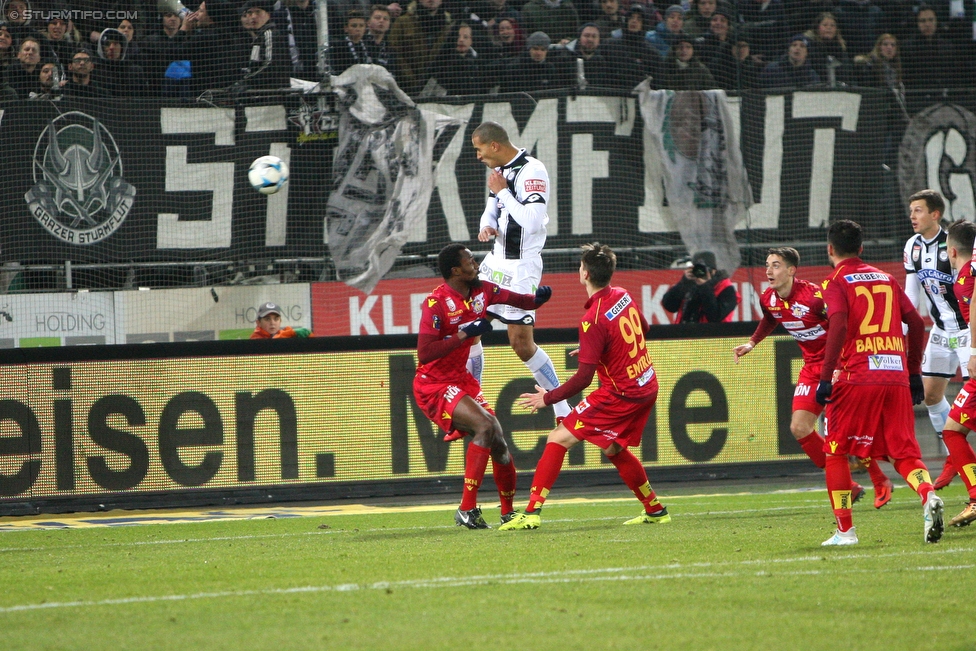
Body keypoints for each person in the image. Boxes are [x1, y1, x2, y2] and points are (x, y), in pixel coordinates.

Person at [500, 243, 670, 530]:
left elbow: (583, 379)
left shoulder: (592, 319)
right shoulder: (623, 295)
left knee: (558, 438)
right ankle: (654, 509)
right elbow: (644, 329)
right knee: (613, 448)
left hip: (621, 394)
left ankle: (530, 513)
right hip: (647, 385)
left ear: (585, 274)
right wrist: (602, 349)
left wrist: (549, 398)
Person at [732, 247, 893, 508]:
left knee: (842, 433)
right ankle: (848, 485)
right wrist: (752, 343)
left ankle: (880, 480)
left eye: (775, 266)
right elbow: (770, 319)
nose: (768, 271)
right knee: (799, 427)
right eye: (767, 265)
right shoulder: (768, 298)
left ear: (791, 270)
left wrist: (847, 360)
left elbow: (845, 323)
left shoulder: (815, 297)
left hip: (838, 365)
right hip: (811, 367)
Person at [816, 219, 942, 546]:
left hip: (858, 374)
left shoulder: (835, 280)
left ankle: (845, 531)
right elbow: (915, 322)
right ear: (861, 248)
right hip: (896, 374)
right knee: (903, 451)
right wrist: (914, 371)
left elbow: (840, 324)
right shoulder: (886, 278)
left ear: (830, 249)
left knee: (835, 450)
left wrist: (827, 374)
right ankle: (927, 494)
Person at [414, 244, 553, 528]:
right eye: (470, 260)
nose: (476, 263)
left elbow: (519, 301)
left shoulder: (483, 290)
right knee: (486, 427)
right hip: (435, 384)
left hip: (461, 380)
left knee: (499, 442)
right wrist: (465, 334)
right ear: (455, 270)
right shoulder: (436, 303)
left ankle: (507, 512)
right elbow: (425, 353)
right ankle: (467, 510)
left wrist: (538, 299)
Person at [467, 121, 574, 429]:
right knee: (470, 326)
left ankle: (563, 410)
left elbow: (531, 220)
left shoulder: (532, 171)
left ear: (494, 146)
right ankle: (474, 400)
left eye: (479, 150)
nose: (478, 156)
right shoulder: (499, 174)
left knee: (521, 343)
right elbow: (491, 207)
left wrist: (503, 193)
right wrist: (486, 225)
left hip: (521, 267)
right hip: (494, 262)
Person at [903, 189, 969, 491]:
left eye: (918, 210)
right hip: (941, 332)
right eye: (911, 210)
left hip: (969, 330)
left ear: (935, 214)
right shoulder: (912, 247)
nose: (912, 216)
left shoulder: (955, 245)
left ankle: (956, 458)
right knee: (930, 395)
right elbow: (911, 297)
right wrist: (901, 334)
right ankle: (952, 456)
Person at [938, 220, 976, 527]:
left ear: (952, 251)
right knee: (954, 428)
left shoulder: (966, 276)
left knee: (952, 430)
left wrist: (974, 351)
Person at [387, 0, 455, 96]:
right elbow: (394, 51)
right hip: (405, 87)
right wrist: (410, 78)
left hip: (436, 88)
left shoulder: (449, 27)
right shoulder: (402, 22)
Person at [661, 251, 738, 323]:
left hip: (711, 335)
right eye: (697, 269)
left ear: (714, 271)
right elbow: (669, 306)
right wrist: (684, 282)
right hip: (685, 334)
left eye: (704, 270)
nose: (701, 273)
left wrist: (704, 286)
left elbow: (715, 317)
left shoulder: (726, 289)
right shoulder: (689, 284)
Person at [240, 0, 292, 90]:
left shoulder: (269, 33)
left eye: (258, 12)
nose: (253, 16)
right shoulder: (258, 36)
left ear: (268, 14)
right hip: (260, 92)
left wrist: (247, 80)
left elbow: (270, 64)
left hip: (273, 93)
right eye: (249, 13)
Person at [330, 9, 371, 74]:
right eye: (354, 26)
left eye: (361, 26)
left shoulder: (369, 45)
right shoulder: (338, 48)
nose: (358, 29)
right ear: (346, 28)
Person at [364, 5, 397, 77]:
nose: (381, 21)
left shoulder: (391, 49)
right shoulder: (361, 43)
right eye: (377, 18)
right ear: (368, 22)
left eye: (385, 19)